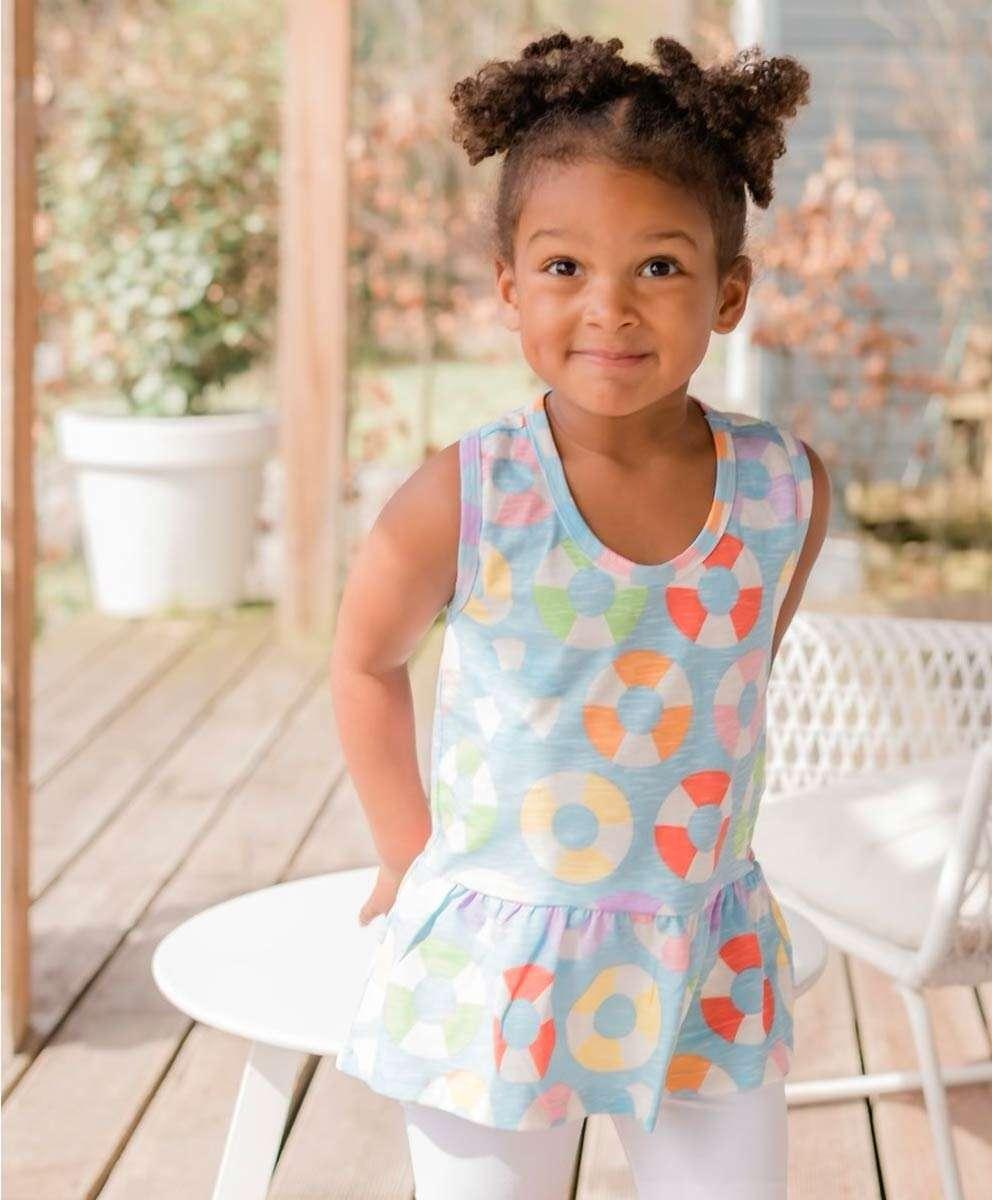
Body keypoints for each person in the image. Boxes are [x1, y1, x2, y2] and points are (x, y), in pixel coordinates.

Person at [332, 31, 829, 1199]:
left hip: (700, 949)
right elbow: (363, 662)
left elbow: (736, 670)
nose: (610, 307)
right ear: (510, 286)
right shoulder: (464, 497)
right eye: (564, 266)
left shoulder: (782, 491)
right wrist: (407, 852)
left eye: (658, 266)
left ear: (729, 293)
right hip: (498, 967)